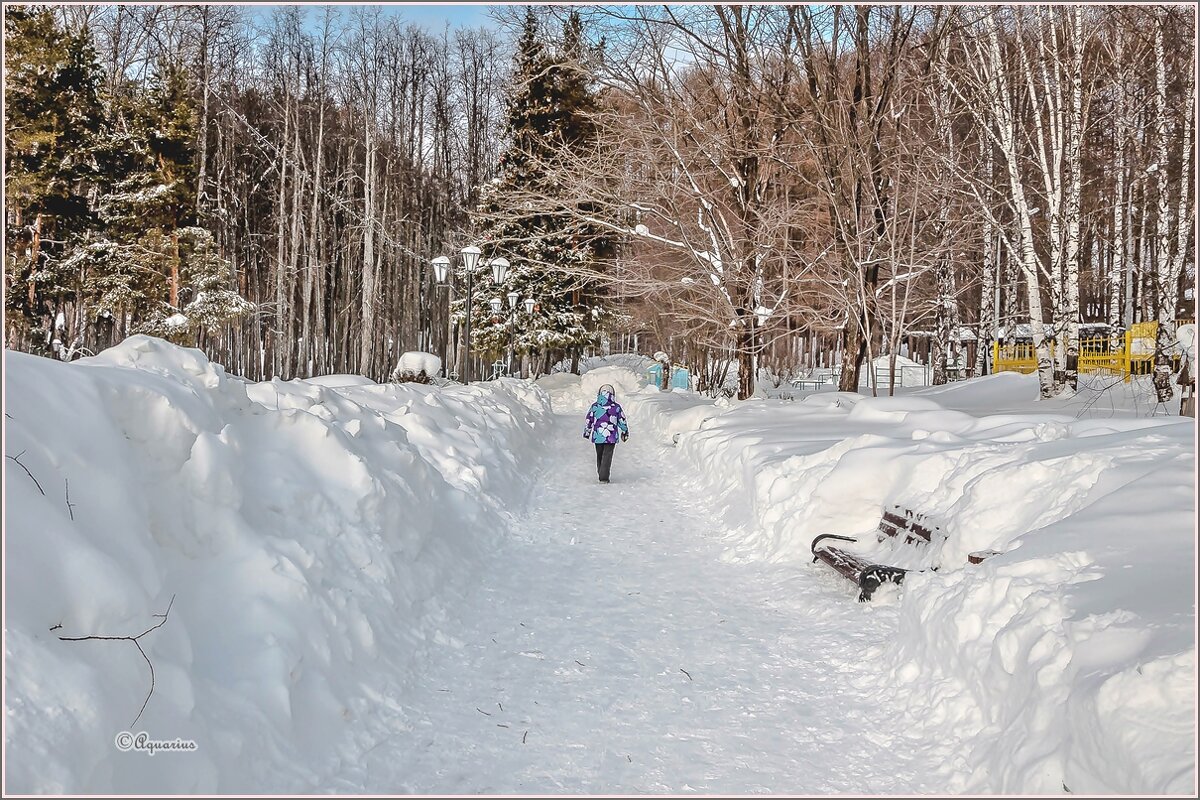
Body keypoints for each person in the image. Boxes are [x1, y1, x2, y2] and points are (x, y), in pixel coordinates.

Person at [583, 383, 629, 483]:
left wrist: (587, 431)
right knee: (607, 456)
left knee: (599, 455)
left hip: (597, 435)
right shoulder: (616, 407)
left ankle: (601, 473)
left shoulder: (595, 406)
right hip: (611, 436)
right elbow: (622, 420)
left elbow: (589, 419)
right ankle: (604, 476)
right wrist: (625, 431)